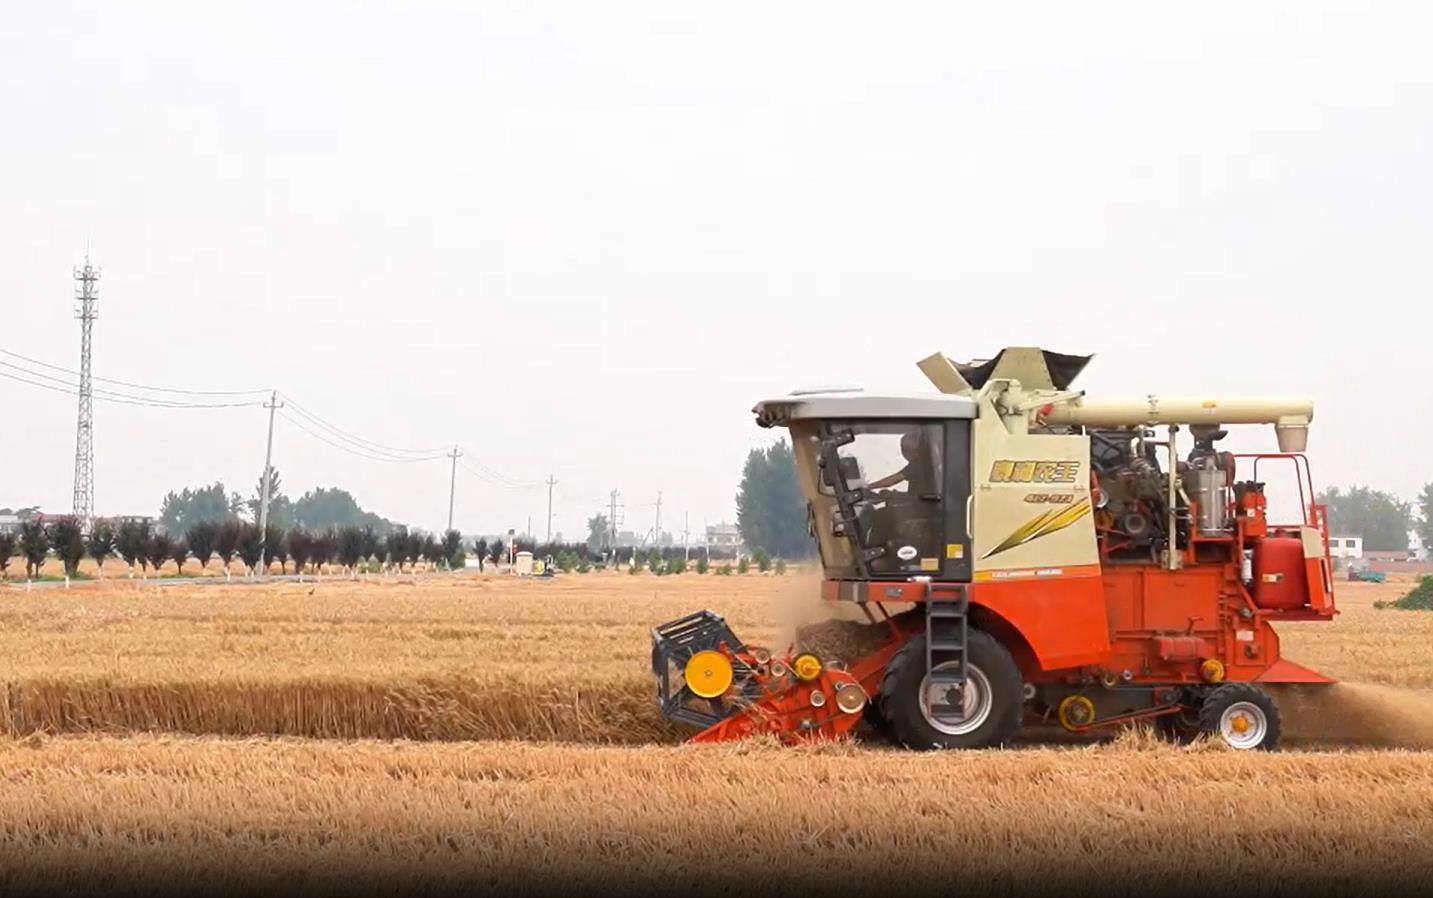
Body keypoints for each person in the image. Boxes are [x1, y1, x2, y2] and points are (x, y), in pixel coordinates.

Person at [866, 429, 939, 496]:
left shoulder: (919, 465)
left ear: (915, 450)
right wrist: (894, 495)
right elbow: (915, 496)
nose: (903, 453)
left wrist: (869, 487)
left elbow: (893, 480)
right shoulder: (927, 464)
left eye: (905, 449)